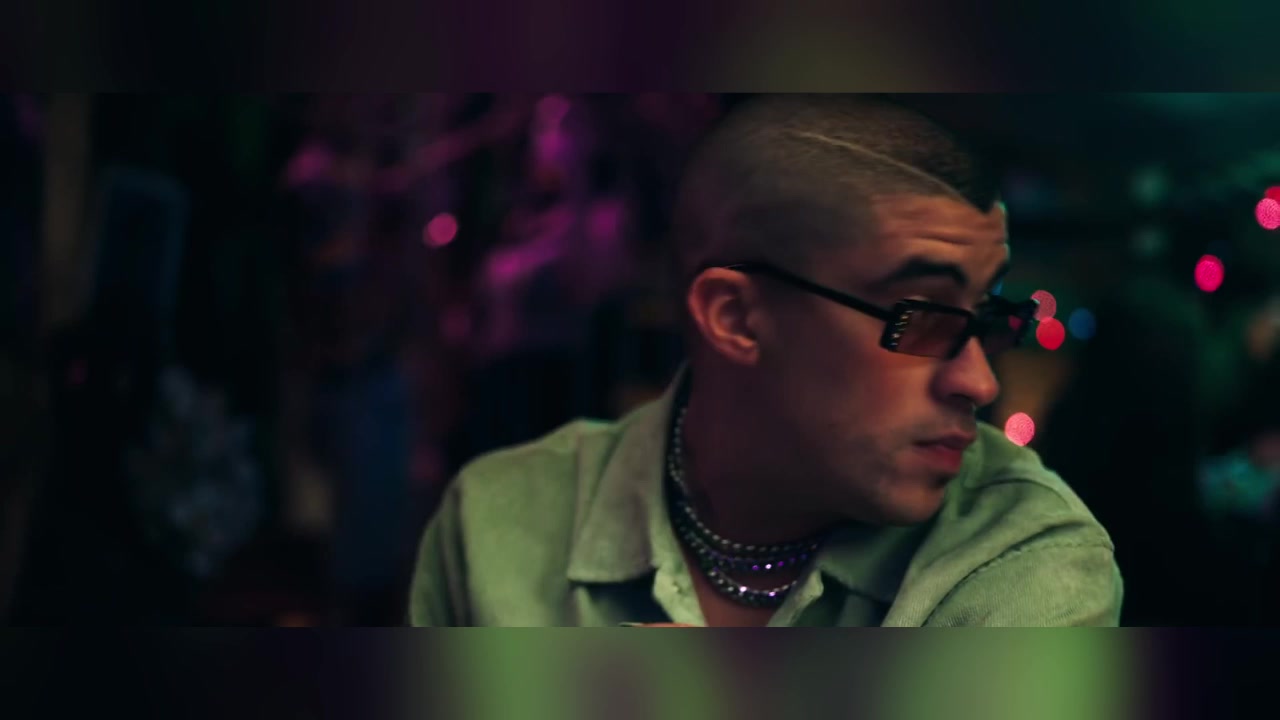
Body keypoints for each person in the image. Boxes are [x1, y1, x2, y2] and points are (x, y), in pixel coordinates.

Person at [409, 94, 1122, 626]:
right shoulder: (498, 524)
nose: (980, 382)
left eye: (989, 321)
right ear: (736, 318)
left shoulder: (1025, 554)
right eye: (923, 318)